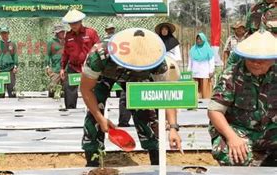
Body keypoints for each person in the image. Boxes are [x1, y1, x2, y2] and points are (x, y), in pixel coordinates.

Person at [80, 28, 182, 166]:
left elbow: (165, 95)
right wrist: (100, 117)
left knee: (146, 110)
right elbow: (86, 89)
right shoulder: (99, 54)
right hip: (104, 74)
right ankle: (93, 161)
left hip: (136, 80)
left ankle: (156, 159)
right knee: (94, 112)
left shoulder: (157, 61)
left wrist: (173, 128)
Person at [208, 29, 276, 166]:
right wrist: (232, 137)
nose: (256, 63)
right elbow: (214, 111)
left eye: (262, 60)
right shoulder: (231, 75)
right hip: (240, 132)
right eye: (251, 59)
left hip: (271, 132)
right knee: (227, 153)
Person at [60, 9, 100, 109]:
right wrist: (62, 68)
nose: (73, 25)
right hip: (73, 67)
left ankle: (95, 109)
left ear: (81, 21)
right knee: (69, 88)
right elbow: (65, 53)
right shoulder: (68, 36)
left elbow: (98, 48)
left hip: (89, 67)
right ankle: (70, 110)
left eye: (75, 23)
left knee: (93, 88)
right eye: (71, 23)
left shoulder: (91, 33)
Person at [188, 33, 215, 99]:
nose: (198, 40)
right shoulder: (193, 49)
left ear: (204, 40)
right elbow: (190, 62)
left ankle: (205, 104)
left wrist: (211, 71)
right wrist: (188, 71)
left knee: (205, 91)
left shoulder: (209, 50)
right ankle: (196, 104)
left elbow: (211, 62)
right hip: (195, 73)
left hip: (205, 73)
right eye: (197, 39)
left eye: (200, 39)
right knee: (195, 92)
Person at [0, 26, 18, 98]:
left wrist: (15, 66)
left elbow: (15, 55)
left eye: (5, 33)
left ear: (8, 33)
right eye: (2, 33)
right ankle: (1, 108)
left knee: (12, 90)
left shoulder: (13, 44)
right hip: (1, 70)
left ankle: (13, 107)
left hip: (10, 70)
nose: (4, 34)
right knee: (0, 92)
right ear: (0, 34)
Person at [45, 24, 65, 98]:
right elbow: (47, 55)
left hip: (66, 68)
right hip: (55, 68)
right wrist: (47, 67)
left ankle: (65, 105)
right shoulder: (51, 42)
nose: (63, 33)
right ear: (56, 33)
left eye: (63, 31)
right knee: (52, 87)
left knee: (66, 89)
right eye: (61, 32)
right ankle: (50, 103)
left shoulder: (67, 41)